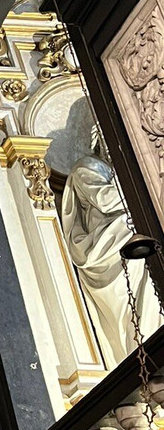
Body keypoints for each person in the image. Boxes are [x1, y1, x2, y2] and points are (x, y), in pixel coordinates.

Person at [62, 142, 163, 364]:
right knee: (136, 303)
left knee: (151, 294)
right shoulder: (86, 166)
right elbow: (106, 201)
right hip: (110, 247)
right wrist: (147, 181)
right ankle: (148, 355)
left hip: (126, 237)